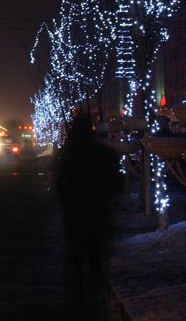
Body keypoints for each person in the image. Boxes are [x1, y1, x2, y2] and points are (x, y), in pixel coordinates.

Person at [55, 112, 120, 319]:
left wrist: (67, 201)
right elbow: (116, 183)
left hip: (75, 213)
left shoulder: (68, 154)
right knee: (96, 259)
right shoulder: (104, 153)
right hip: (97, 212)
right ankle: (96, 300)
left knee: (76, 260)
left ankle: (80, 301)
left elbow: (59, 182)